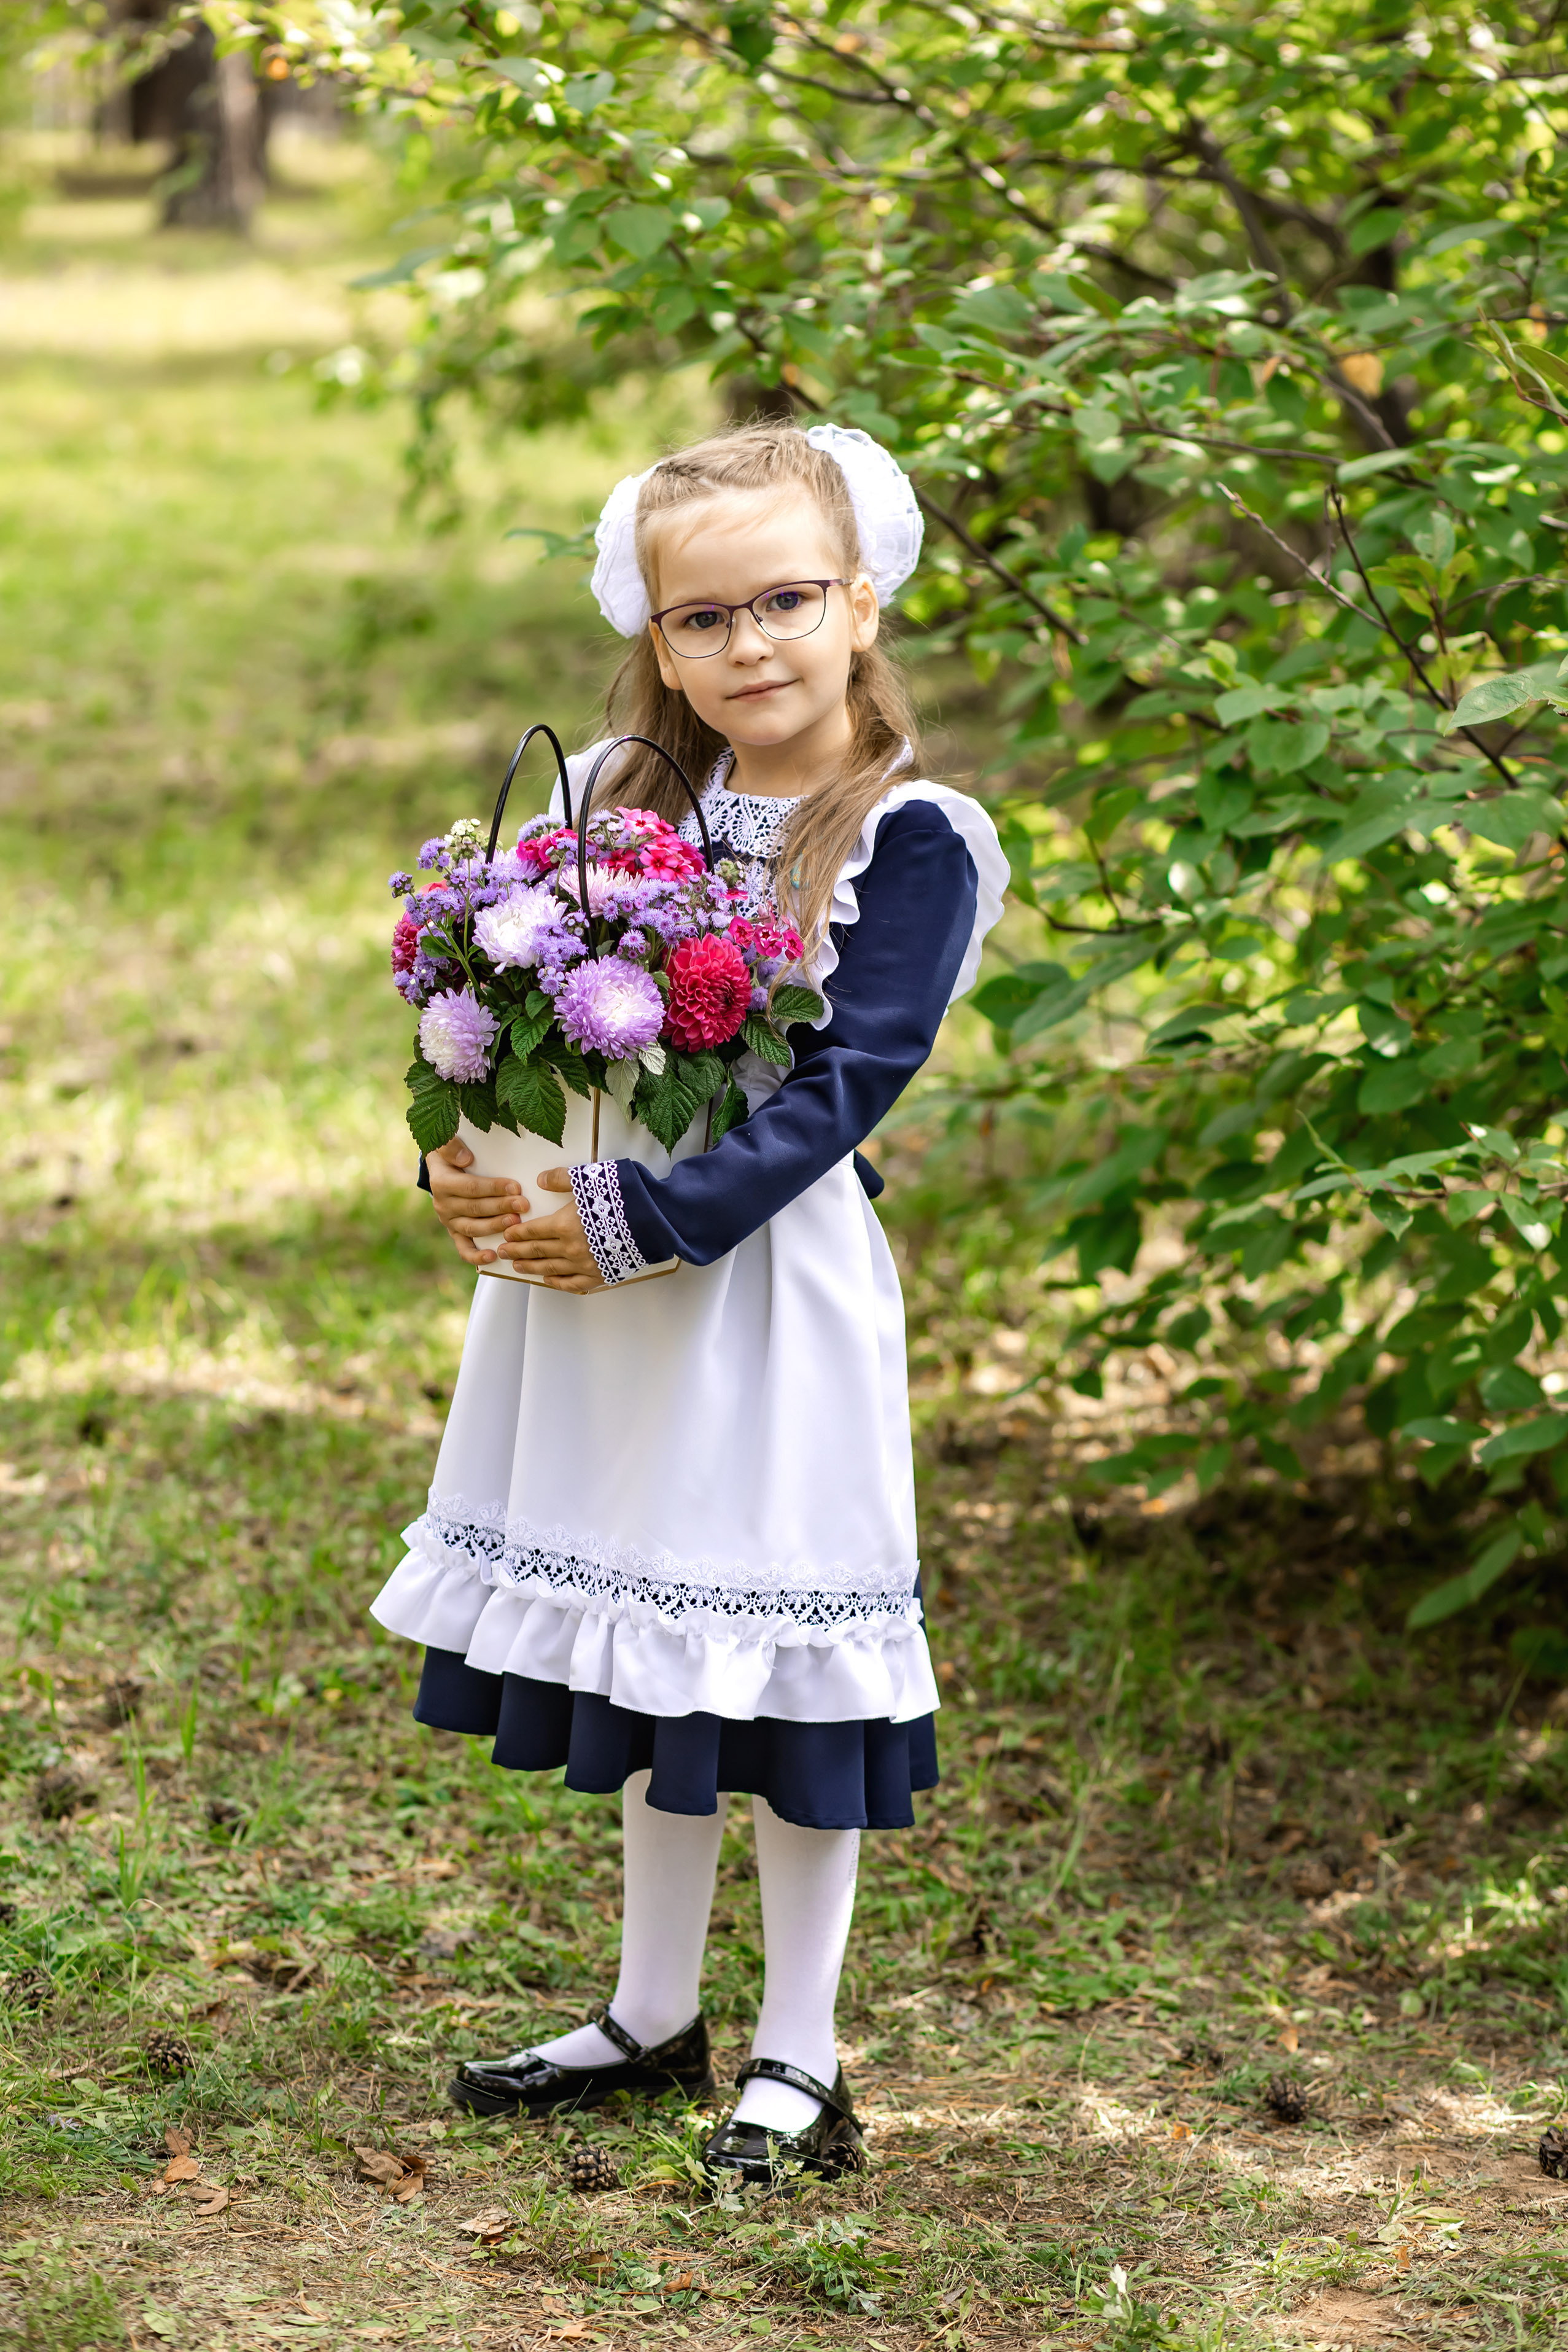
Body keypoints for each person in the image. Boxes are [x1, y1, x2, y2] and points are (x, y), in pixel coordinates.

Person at [369, 420, 1006, 2183]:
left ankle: (801, 2057)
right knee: (666, 1644)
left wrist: (653, 1216)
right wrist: (468, 1143)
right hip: (590, 1278)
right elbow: (501, 999)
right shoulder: (602, 812)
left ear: (859, 599)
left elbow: (845, 1085)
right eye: (702, 616)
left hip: (758, 1285)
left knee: (781, 1659)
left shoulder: (906, 834)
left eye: (785, 601)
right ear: (655, 637)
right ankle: (655, 2013)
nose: (750, 644)